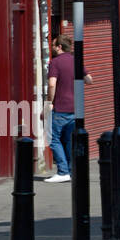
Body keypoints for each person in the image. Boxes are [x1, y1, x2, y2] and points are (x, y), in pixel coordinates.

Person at [46, 35, 92, 183]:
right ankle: (71, 172)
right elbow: (89, 80)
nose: (52, 48)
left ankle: (63, 171)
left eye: (53, 45)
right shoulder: (76, 61)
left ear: (59, 47)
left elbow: (52, 84)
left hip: (60, 108)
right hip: (75, 109)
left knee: (53, 139)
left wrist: (49, 102)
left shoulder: (55, 63)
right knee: (68, 140)